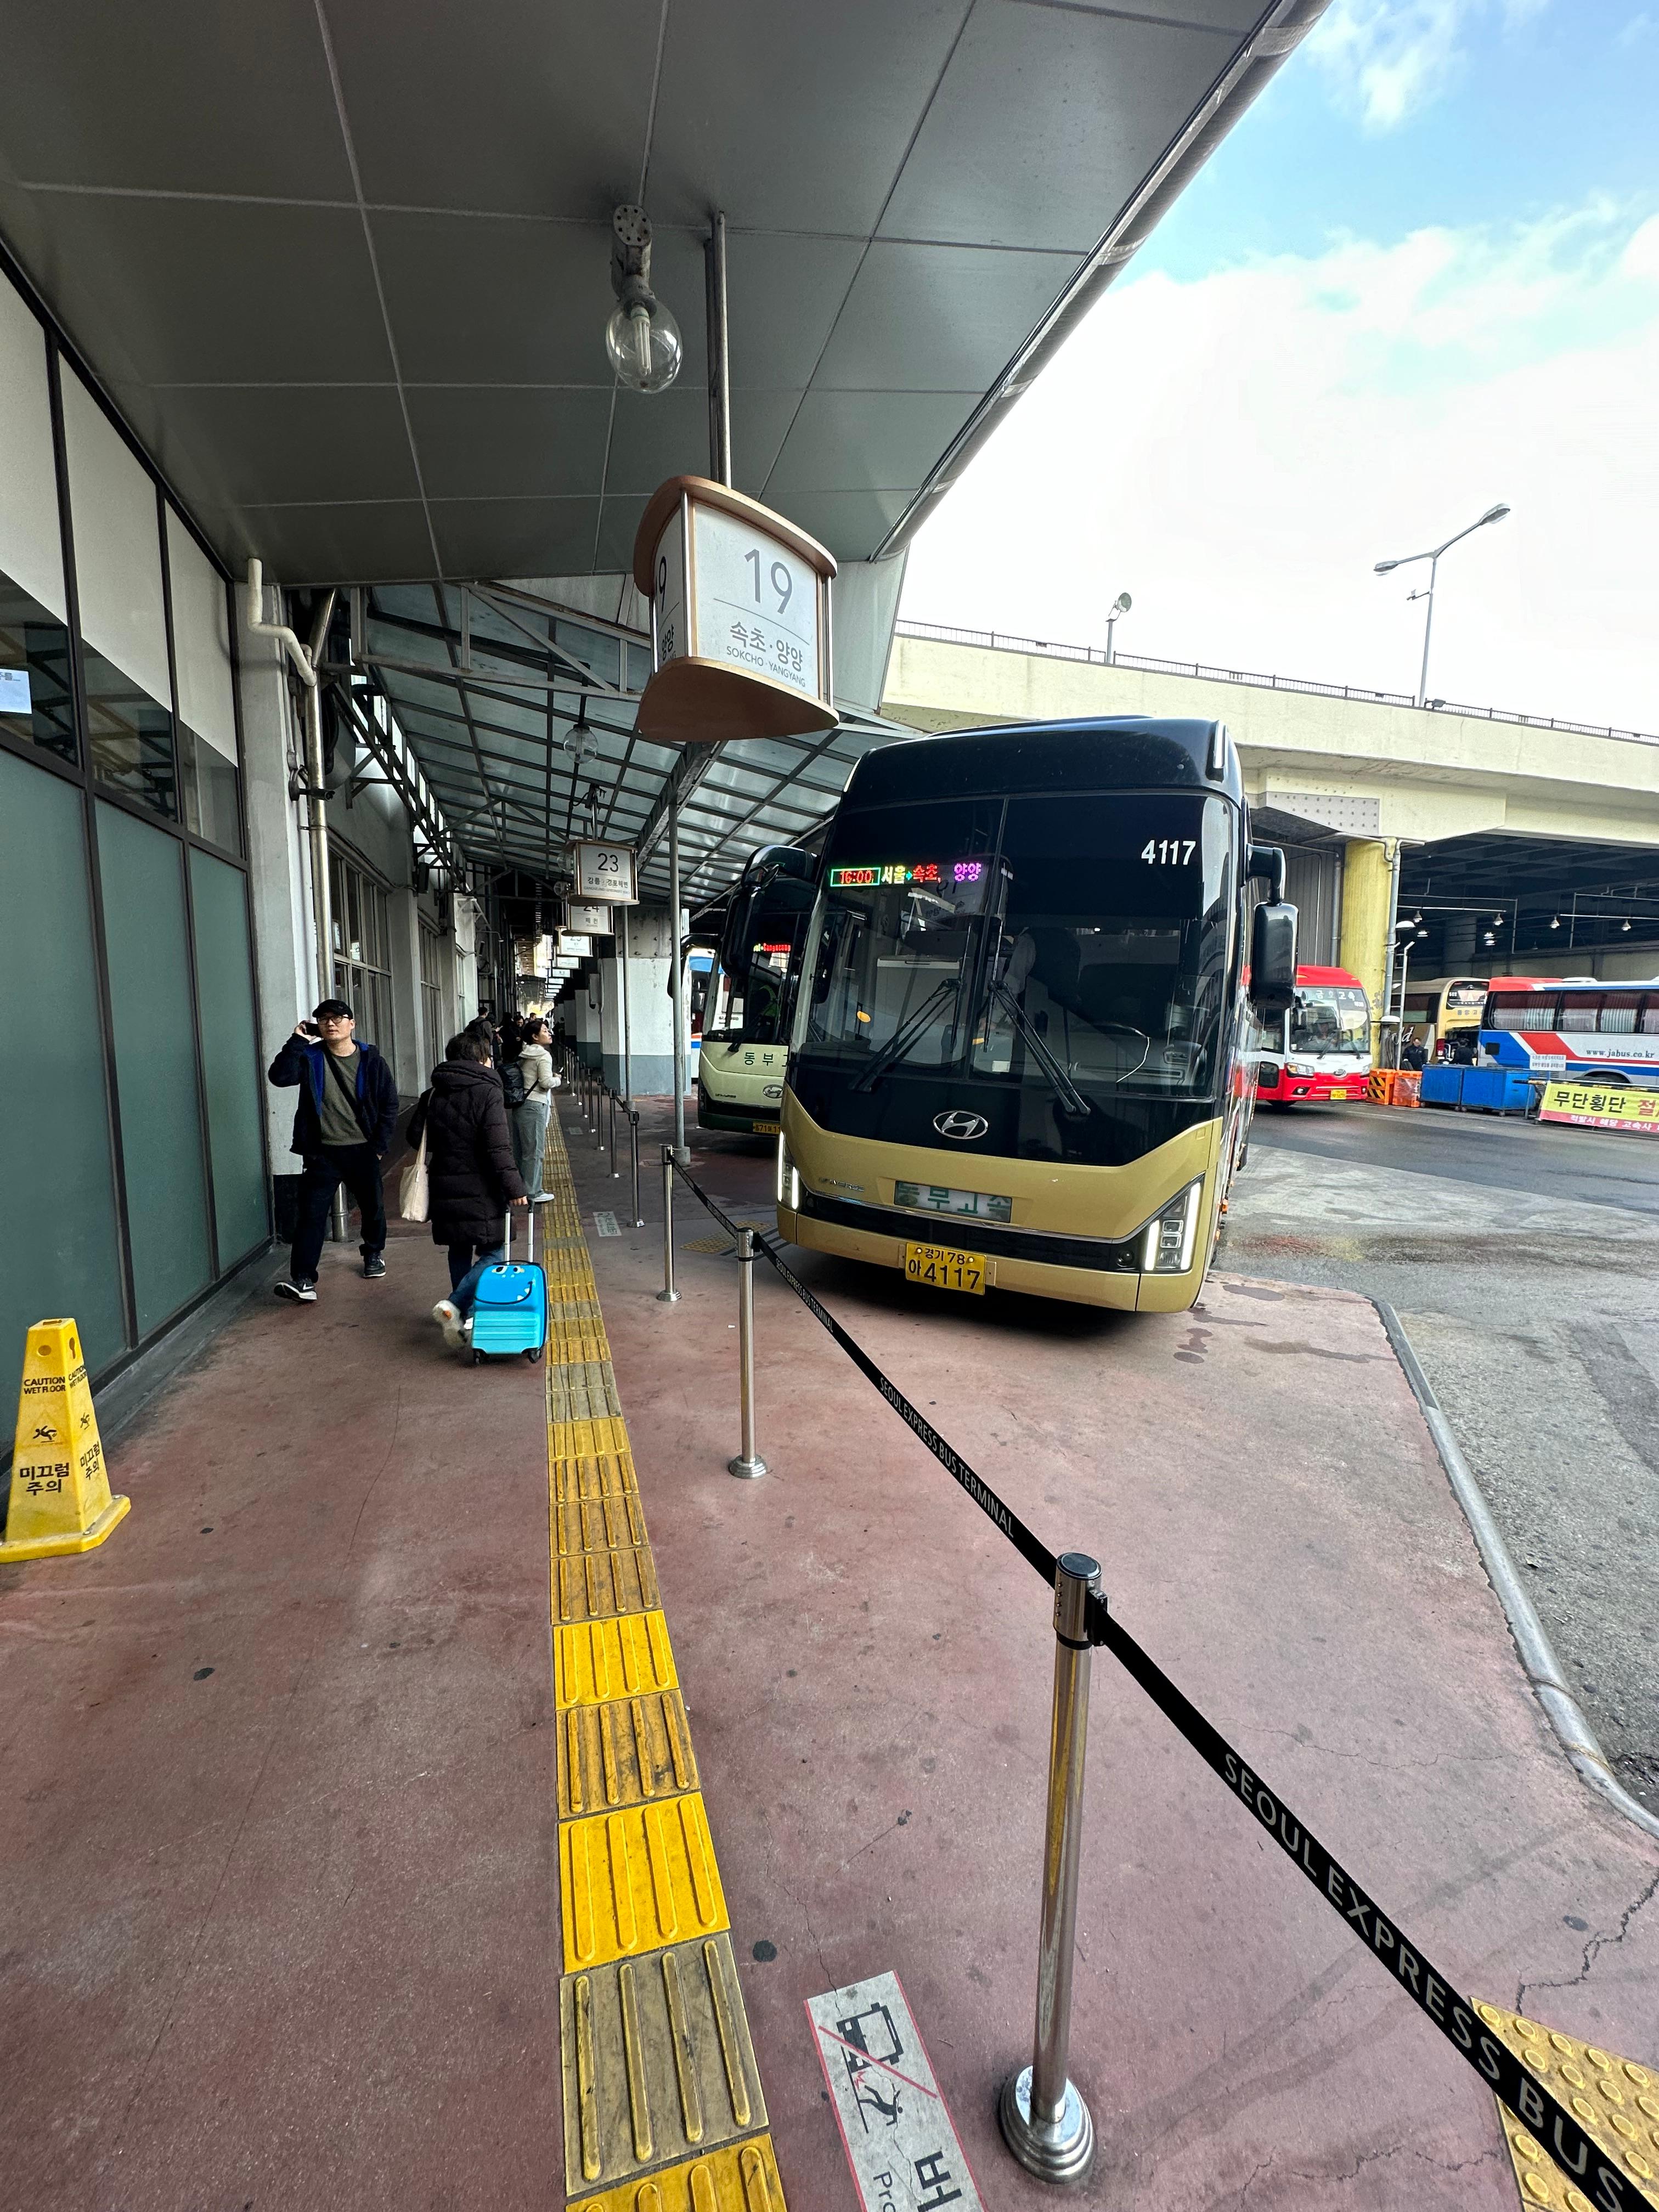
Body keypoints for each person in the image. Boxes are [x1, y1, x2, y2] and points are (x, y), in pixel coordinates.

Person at [267, 997, 399, 1304]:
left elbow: (390, 1104)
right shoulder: (310, 1057)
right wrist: (297, 1040)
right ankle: (303, 1279)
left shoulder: (371, 1060)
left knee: (373, 1208)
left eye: (338, 1018)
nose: (330, 1023)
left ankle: (373, 1254)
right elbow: (280, 1078)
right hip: (322, 1153)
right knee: (311, 1216)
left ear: (352, 1024)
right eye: (324, 1019)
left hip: (363, 1150)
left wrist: (379, 1147)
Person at [409, 1031, 528, 1349]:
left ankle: (459, 1316)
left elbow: (414, 1137)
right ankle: (459, 1304)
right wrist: (515, 1187)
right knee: (495, 1251)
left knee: (459, 1248)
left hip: (445, 1182)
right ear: (482, 1059)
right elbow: (498, 1148)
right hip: (483, 1186)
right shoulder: (488, 1092)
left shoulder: (432, 1094)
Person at [512, 1016, 558, 1202]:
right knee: (535, 1151)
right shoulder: (543, 1055)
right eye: (545, 1031)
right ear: (535, 1037)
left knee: (521, 1150)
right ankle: (533, 1192)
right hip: (535, 1105)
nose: (549, 1033)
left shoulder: (525, 1054)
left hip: (521, 1105)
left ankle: (520, 1188)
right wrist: (558, 1080)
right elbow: (546, 1082)